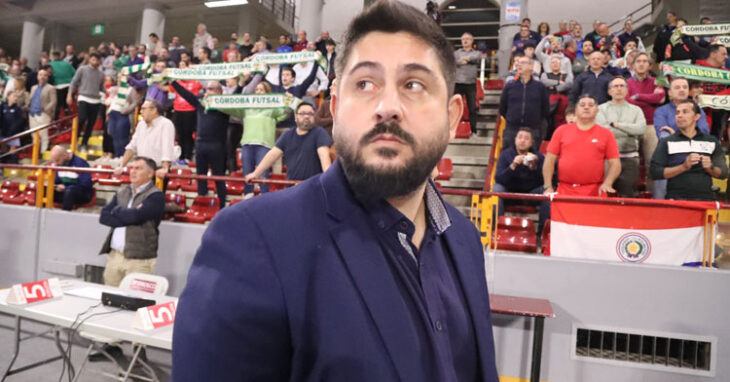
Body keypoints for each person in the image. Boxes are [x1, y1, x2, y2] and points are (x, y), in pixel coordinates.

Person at [174, 2, 500, 381]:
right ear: (336, 106)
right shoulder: (252, 239)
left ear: (453, 116)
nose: (387, 107)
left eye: (414, 84)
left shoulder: (464, 240)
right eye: (364, 84)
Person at [543, 94, 621, 196]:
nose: (586, 107)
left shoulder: (607, 134)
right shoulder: (561, 131)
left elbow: (615, 164)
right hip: (564, 190)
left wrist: (608, 183)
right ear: (575, 110)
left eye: (591, 105)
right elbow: (549, 160)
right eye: (582, 104)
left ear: (597, 111)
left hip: (595, 191)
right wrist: (548, 186)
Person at [650, 99, 728, 200]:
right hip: (676, 200)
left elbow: (723, 173)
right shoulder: (667, 142)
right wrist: (683, 167)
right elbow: (655, 172)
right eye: (677, 112)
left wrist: (710, 168)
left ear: (697, 116)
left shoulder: (711, 141)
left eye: (685, 112)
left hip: (705, 200)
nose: (680, 115)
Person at [170, 80, 229, 207]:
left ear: (219, 92)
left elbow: (240, 96)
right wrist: (173, 82)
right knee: (200, 177)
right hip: (201, 144)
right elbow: (186, 94)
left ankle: (222, 205)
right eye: (207, 89)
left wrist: (240, 84)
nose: (207, 92)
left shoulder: (226, 105)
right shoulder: (201, 103)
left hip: (217, 145)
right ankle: (202, 203)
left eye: (211, 89)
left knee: (219, 177)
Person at [244, 102, 331, 182]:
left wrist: (328, 178)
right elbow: (272, 155)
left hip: (311, 187)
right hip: (291, 187)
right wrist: (256, 174)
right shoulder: (287, 134)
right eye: (302, 113)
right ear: (295, 116)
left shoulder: (319, 133)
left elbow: (324, 156)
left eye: (310, 114)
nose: (306, 116)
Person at [595, 76, 647, 197]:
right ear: (609, 91)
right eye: (615, 86)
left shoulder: (636, 110)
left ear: (627, 90)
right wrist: (629, 130)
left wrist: (616, 125)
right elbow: (603, 132)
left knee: (629, 195)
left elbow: (641, 129)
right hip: (606, 159)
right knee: (606, 194)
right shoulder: (600, 109)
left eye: (622, 86)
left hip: (630, 159)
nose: (619, 89)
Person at [493, 128, 549, 234]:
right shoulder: (505, 155)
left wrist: (534, 168)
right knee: (496, 189)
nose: (522, 140)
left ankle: (542, 233)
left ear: (532, 142)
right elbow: (499, 178)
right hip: (510, 194)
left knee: (547, 192)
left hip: (530, 195)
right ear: (515, 140)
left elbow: (544, 181)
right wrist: (513, 166)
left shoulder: (538, 157)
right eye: (520, 137)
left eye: (526, 138)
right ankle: (496, 229)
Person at [499, 54, 550, 151]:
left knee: (531, 161)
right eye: (517, 63)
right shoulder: (509, 86)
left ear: (531, 66)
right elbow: (502, 108)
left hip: (533, 129)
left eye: (523, 63)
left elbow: (545, 109)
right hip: (512, 129)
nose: (519, 65)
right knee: (509, 158)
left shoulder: (540, 87)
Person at [626, 52, 665, 178]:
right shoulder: (626, 83)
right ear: (632, 66)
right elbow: (627, 102)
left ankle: (652, 193)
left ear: (649, 66)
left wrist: (638, 96)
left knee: (652, 161)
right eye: (638, 61)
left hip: (650, 125)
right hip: (631, 125)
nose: (641, 64)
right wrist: (650, 99)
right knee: (631, 162)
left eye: (644, 61)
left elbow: (660, 99)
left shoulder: (656, 81)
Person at [115, 100, 175, 180]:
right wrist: (121, 165)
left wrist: (165, 168)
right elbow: (132, 147)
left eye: (143, 109)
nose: (140, 111)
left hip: (157, 170)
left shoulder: (166, 124)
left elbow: (166, 147)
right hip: (140, 168)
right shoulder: (141, 124)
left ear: (153, 110)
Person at [67, 52, 105, 151]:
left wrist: (109, 92)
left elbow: (101, 88)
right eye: (93, 59)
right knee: (82, 119)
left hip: (96, 100)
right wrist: (69, 95)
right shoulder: (82, 69)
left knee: (91, 123)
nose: (95, 61)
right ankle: (75, 140)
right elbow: (73, 82)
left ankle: (84, 143)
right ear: (89, 59)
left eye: (97, 60)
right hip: (83, 97)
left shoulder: (101, 74)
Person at [694, 44, 729, 139]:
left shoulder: (727, 73)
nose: (726, 57)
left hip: (718, 110)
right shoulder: (695, 68)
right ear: (713, 54)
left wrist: (715, 98)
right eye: (723, 54)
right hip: (698, 108)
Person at [454, 32, 483, 137]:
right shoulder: (456, 53)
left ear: (472, 41)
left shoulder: (476, 53)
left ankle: (473, 131)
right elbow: (453, 61)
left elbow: (477, 58)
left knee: (472, 108)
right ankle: (450, 129)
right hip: (457, 83)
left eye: (467, 39)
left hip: (470, 84)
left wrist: (467, 59)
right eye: (463, 39)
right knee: (453, 108)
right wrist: (462, 60)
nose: (465, 41)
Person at [47, 145, 93, 210]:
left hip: (81, 193)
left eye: (57, 160)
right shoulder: (58, 164)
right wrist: (55, 186)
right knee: (42, 188)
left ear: (65, 156)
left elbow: (86, 184)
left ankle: (64, 217)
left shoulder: (80, 163)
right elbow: (56, 181)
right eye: (54, 161)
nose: (55, 163)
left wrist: (66, 187)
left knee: (70, 191)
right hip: (64, 192)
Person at [28, 68, 57, 153]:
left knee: (43, 134)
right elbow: (31, 99)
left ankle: (43, 151)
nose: (42, 77)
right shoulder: (33, 88)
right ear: (37, 76)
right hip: (32, 113)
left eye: (45, 75)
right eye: (40, 75)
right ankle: (35, 152)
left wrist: (46, 109)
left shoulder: (51, 88)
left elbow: (53, 101)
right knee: (33, 134)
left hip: (43, 114)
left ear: (47, 77)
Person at [49, 51, 75, 119]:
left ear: (53, 56)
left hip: (57, 86)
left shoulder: (50, 65)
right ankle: (67, 117)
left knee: (58, 104)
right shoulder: (67, 64)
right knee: (65, 103)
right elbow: (74, 73)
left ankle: (55, 120)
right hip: (68, 86)